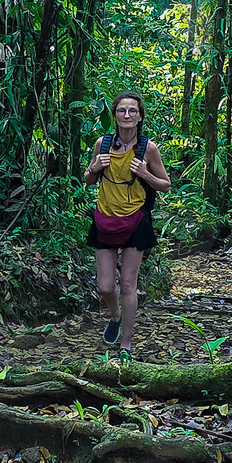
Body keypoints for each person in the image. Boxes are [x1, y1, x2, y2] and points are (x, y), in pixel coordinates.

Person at [83, 92, 171, 363]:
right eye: (122, 111)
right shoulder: (103, 143)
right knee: (106, 287)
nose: (127, 115)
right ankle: (115, 317)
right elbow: (87, 179)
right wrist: (94, 168)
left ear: (140, 116)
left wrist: (145, 173)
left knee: (129, 285)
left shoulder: (149, 149)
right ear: (115, 116)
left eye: (133, 111)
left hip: (135, 219)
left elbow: (165, 184)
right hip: (105, 217)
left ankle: (126, 345)